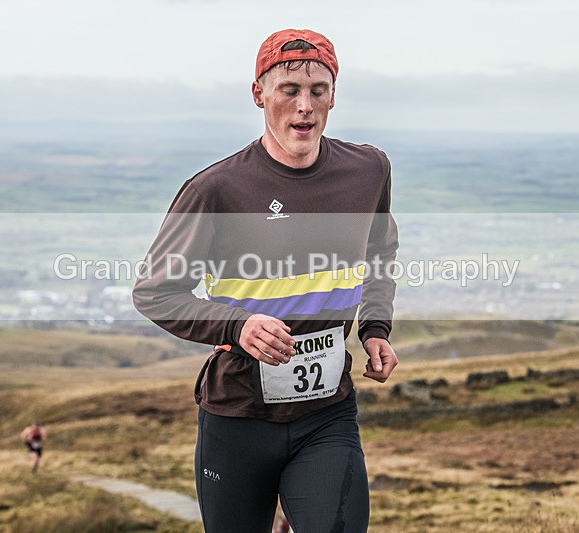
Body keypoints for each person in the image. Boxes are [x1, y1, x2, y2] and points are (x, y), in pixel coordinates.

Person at [133, 28, 398, 532]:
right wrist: (237, 327)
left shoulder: (369, 170)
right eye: (289, 91)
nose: (305, 106)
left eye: (318, 90)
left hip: (328, 412)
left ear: (334, 95)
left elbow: (379, 250)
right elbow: (154, 292)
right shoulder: (217, 189)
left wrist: (376, 328)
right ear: (259, 93)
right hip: (238, 417)